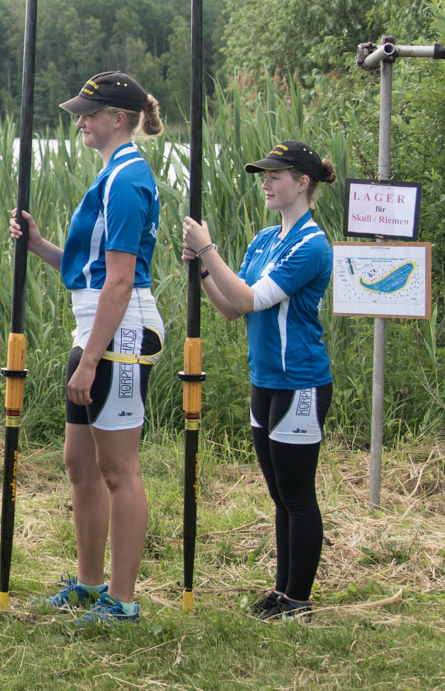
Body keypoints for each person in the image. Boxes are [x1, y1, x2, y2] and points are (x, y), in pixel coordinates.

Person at [9, 71, 165, 625]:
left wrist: (92, 359)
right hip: (96, 326)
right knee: (80, 463)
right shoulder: (110, 174)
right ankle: (89, 583)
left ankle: (121, 602)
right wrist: (39, 245)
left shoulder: (126, 179)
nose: (80, 121)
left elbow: (120, 281)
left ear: (118, 119)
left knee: (119, 469)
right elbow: (91, 270)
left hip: (120, 333)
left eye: (88, 113)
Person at [182, 140, 336, 622]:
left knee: (297, 495)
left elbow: (252, 299)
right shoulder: (265, 239)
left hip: (301, 383)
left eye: (275, 176)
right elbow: (233, 308)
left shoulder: (312, 245)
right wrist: (202, 270)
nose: (266, 183)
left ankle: (298, 601)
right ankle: (281, 592)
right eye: (264, 176)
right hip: (264, 380)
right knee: (279, 496)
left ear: (302, 183)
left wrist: (208, 248)